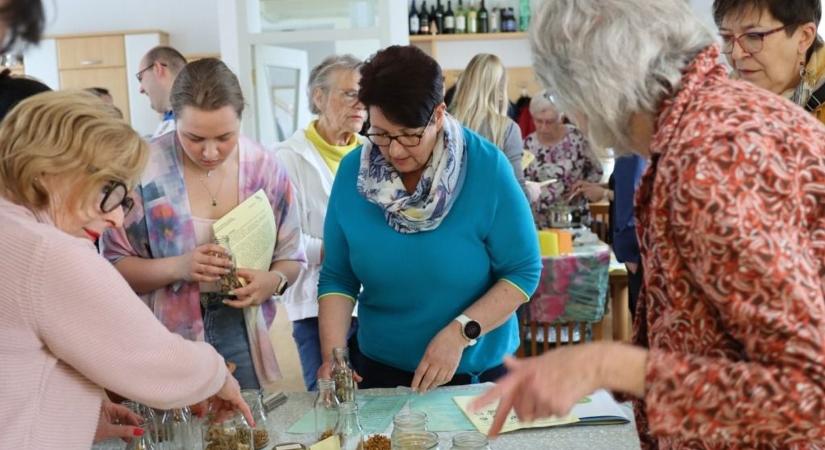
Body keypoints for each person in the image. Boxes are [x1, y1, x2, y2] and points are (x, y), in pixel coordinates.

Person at [472, 0, 825, 447]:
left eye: (567, 97)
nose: (574, 118)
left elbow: (809, 396)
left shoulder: (711, 157)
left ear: (598, 83)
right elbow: (705, 332)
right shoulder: (712, 120)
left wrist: (608, 365)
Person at [0, 91, 252, 449]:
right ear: (50, 170)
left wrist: (71, 409)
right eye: (108, 189)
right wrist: (216, 376)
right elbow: (158, 363)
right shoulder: (46, 252)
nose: (117, 217)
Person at [317, 45, 541, 393]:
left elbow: (524, 271)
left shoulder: (486, 169)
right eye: (381, 134)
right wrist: (334, 353)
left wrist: (461, 332)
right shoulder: (353, 176)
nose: (393, 151)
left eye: (409, 135)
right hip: (379, 373)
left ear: (438, 115)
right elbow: (337, 276)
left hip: (473, 377)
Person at [102, 58, 306, 391]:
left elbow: (292, 256)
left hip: (238, 323)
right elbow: (111, 265)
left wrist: (274, 280)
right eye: (194, 138)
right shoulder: (142, 169)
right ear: (173, 119)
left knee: (242, 428)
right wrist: (179, 267)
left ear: (241, 119)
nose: (210, 152)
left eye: (225, 137)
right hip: (161, 329)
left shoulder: (264, 166)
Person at [274, 54, 366, 391]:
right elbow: (283, 240)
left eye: (365, 95)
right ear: (318, 97)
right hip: (313, 301)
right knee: (329, 396)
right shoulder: (286, 157)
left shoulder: (375, 152)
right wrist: (336, 252)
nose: (361, 104)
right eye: (349, 93)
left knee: (374, 400)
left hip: (372, 303)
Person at [715, 0, 825, 123]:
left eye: (753, 36)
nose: (736, 54)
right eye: (727, 37)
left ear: (804, 37)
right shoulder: (714, 104)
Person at [570, 155, 647, 316]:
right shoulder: (628, 154)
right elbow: (624, 188)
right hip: (638, 247)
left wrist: (604, 193)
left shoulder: (630, 154)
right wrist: (598, 187)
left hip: (636, 250)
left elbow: (633, 198)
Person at [449, 53, 527, 197]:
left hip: (453, 216)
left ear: (465, 82)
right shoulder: (507, 129)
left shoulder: (444, 125)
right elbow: (518, 195)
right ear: (500, 90)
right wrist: (532, 192)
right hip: (493, 217)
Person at [523, 91, 603, 229]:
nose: (543, 127)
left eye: (549, 122)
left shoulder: (577, 138)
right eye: (538, 121)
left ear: (561, 118)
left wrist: (585, 186)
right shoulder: (527, 145)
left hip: (574, 217)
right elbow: (521, 182)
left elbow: (596, 171)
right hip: (538, 222)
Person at [136, 45, 187, 137]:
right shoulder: (171, 117)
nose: (141, 89)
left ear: (157, 69)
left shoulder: (191, 119)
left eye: (140, 77)